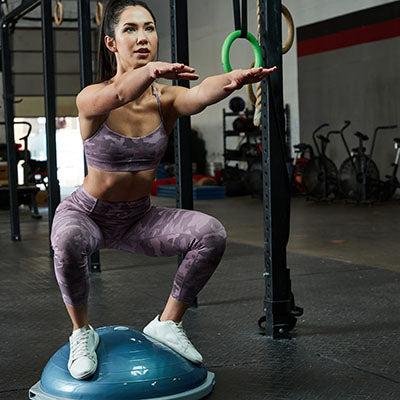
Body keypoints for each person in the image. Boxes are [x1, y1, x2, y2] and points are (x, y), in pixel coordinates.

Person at [50, 0, 277, 380]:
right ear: (111, 43)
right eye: (130, 29)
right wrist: (150, 70)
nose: (143, 37)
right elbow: (119, 95)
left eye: (149, 28)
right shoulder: (91, 98)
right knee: (68, 240)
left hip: (138, 217)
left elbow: (199, 94)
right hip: (88, 214)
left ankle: (167, 322)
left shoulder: (165, 99)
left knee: (210, 234)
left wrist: (232, 80)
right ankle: (81, 332)